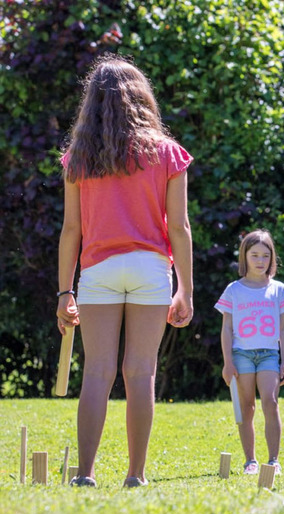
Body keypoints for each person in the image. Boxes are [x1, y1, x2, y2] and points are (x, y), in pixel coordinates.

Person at [57, 55, 194, 489]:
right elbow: (180, 227)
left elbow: (71, 230)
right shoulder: (168, 153)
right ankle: (135, 475)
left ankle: (85, 475)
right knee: (141, 372)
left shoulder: (78, 159)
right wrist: (186, 290)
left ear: (91, 102)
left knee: (97, 371)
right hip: (152, 268)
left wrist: (65, 292)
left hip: (98, 269)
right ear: (141, 97)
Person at [216, 230, 284, 476]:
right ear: (245, 257)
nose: (260, 261)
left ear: (272, 258)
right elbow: (227, 328)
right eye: (255, 255)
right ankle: (250, 460)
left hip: (269, 355)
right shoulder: (233, 290)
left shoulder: (279, 289)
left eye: (265, 255)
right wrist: (228, 362)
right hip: (242, 355)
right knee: (247, 407)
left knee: (270, 403)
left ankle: (273, 461)